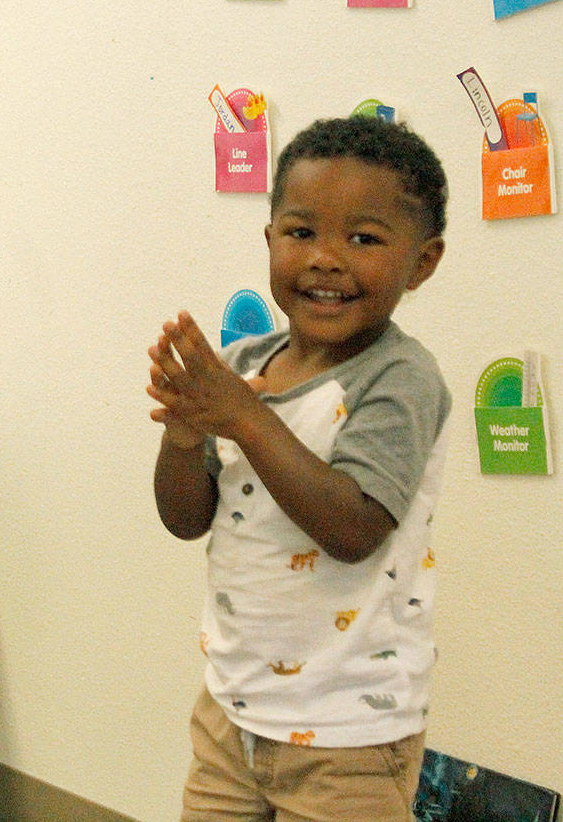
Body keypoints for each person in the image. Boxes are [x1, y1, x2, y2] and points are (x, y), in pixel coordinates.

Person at [148, 115, 451, 822]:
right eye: (301, 232)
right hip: (233, 713)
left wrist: (243, 417)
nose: (325, 258)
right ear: (270, 239)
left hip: (352, 738)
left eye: (364, 238)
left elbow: (354, 525)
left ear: (423, 261)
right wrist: (187, 437)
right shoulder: (249, 364)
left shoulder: (400, 378)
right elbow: (185, 519)